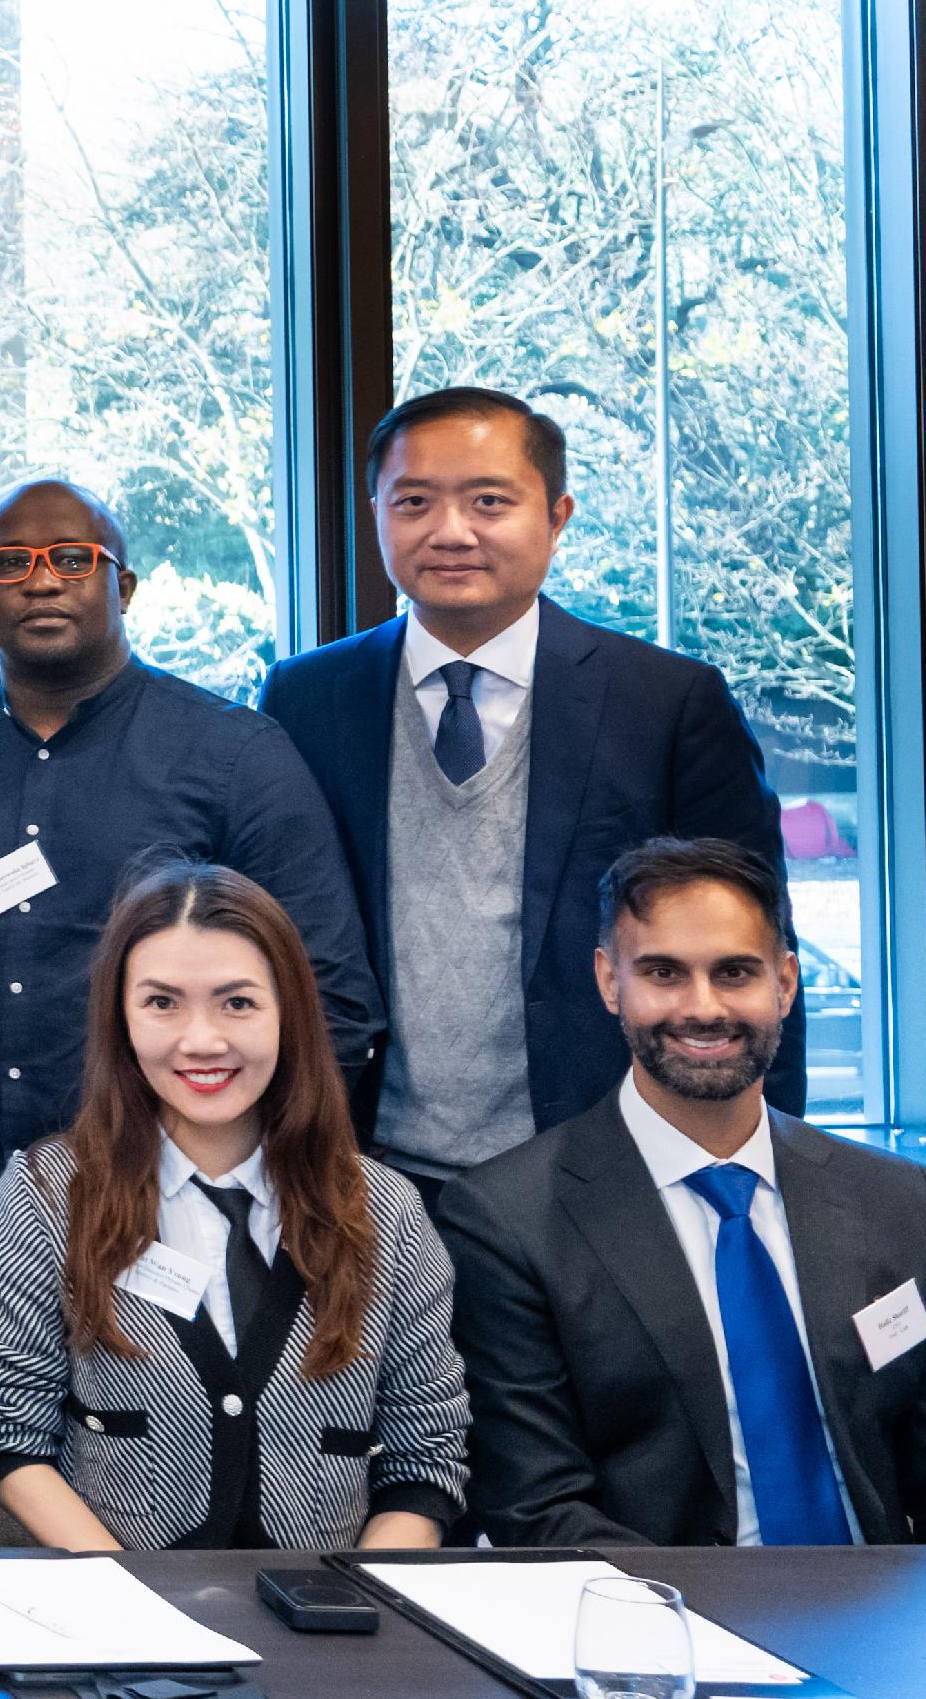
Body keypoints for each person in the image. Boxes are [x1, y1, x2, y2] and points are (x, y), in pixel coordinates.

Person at [0, 477, 382, 1300]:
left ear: (122, 585)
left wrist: (244, 1181)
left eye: (72, 558)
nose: (41, 580)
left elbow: (330, 995)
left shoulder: (236, 756)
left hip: (175, 1220)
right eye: (10, 562)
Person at [260, 386, 799, 1194]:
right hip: (362, 1171)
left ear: (556, 517)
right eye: (414, 502)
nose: (450, 531)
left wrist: (766, 1166)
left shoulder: (666, 702)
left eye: (488, 501)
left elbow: (756, 944)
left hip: (605, 1168)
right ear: (376, 515)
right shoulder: (306, 698)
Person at [440, 837, 926, 1547]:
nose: (703, 1007)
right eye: (664, 972)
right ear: (609, 981)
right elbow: (539, 1511)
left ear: (785, 983)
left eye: (734, 972)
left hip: (886, 1598)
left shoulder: (902, 1204)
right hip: (652, 1606)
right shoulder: (508, 1220)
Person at [0, 861, 467, 1552]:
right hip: (119, 1601)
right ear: (120, 1017)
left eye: (238, 1003)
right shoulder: (48, 1196)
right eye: (162, 1002)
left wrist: (358, 1597)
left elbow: (425, 1457)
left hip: (328, 1601)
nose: (201, 1040)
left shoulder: (385, 1211)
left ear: (288, 1014)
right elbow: (8, 1430)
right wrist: (133, 1594)